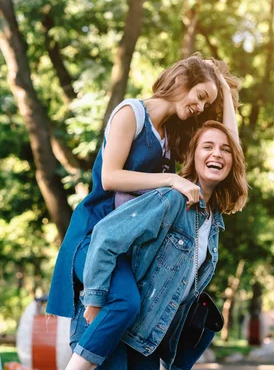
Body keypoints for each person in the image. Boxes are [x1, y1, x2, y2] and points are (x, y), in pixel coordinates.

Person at [46, 56, 241, 366]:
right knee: (124, 302)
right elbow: (110, 178)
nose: (202, 107)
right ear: (180, 81)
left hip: (133, 249)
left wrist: (224, 91)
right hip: (96, 235)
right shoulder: (131, 113)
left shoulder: (172, 133)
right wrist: (171, 179)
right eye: (201, 96)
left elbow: (226, 143)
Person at [71, 121, 248, 369]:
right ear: (193, 156)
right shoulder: (173, 198)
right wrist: (95, 299)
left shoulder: (213, 221)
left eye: (226, 149)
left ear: (233, 162)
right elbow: (106, 235)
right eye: (207, 146)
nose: (217, 153)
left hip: (146, 340)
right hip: (119, 329)